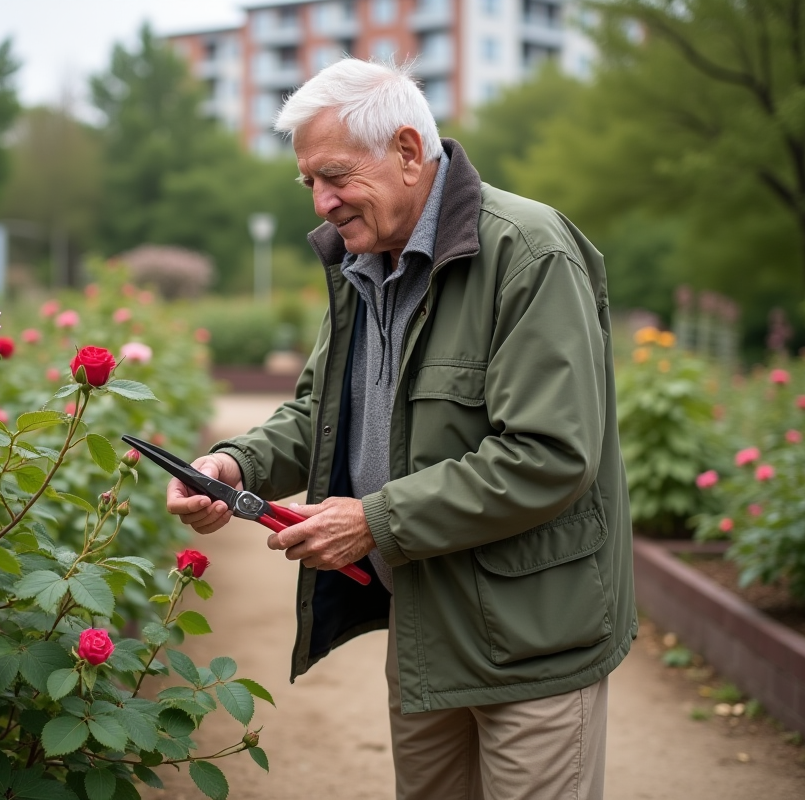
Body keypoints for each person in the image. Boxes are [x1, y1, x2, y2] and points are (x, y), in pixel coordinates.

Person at [165, 58, 635, 800]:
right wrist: (236, 467)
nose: (321, 203)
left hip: (533, 640)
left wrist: (376, 521)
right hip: (425, 628)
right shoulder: (364, 264)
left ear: (410, 152)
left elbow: (548, 455)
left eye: (335, 176)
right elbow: (320, 413)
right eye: (309, 184)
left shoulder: (528, 251)